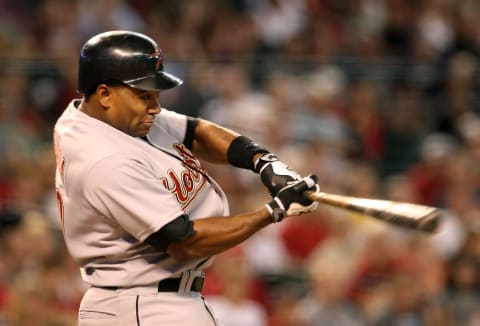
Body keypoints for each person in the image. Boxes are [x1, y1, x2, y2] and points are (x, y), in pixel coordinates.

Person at [53, 30, 319, 326]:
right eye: (144, 96)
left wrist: (262, 161)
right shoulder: (104, 160)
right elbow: (185, 241)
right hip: (142, 305)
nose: (155, 107)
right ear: (104, 93)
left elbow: (194, 132)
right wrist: (273, 212)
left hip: (156, 300)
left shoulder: (112, 118)